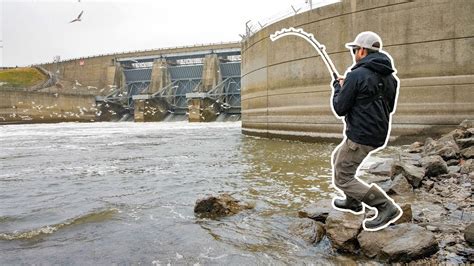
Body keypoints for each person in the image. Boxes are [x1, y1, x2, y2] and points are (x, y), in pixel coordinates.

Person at [330, 31, 402, 231]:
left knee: (342, 177)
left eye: (354, 50)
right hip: (378, 133)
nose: (353, 54)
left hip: (360, 135)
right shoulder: (391, 78)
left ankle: (385, 206)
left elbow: (340, 108)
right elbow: (390, 107)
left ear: (362, 51)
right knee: (338, 158)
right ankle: (353, 201)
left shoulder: (356, 75)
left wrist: (338, 88)